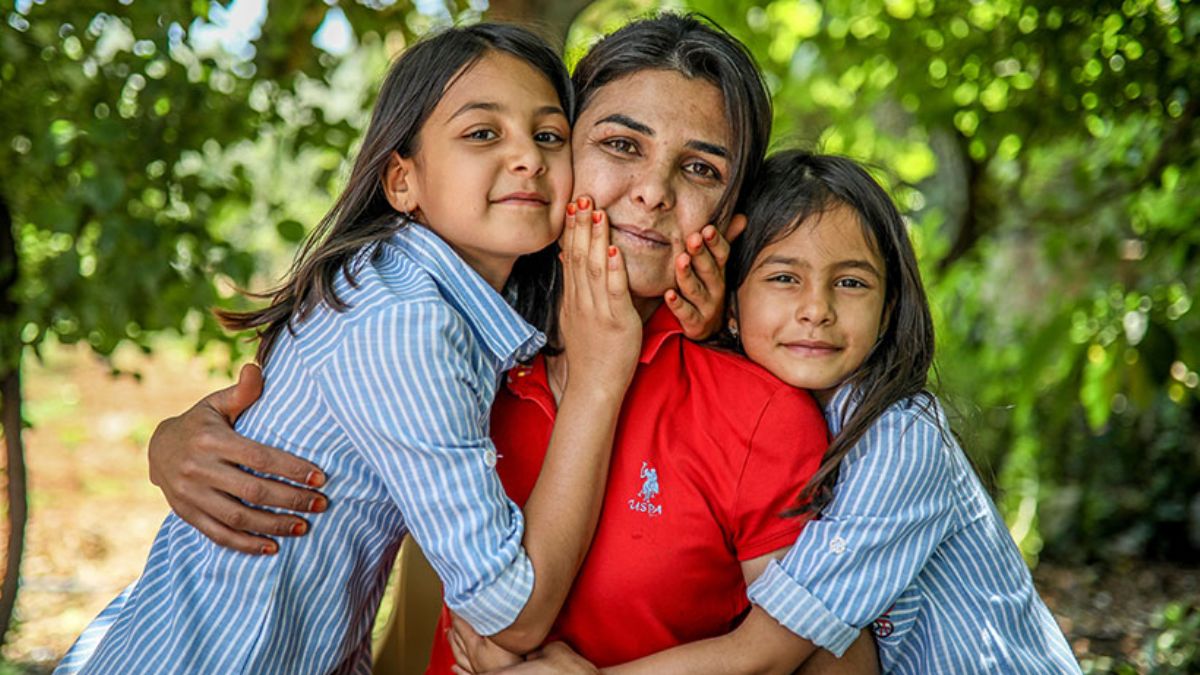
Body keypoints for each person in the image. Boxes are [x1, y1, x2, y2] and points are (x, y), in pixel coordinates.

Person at [136, 14, 879, 673]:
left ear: (731, 212)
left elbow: (833, 659)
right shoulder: (471, 350)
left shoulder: (757, 407)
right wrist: (171, 443)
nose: (653, 192)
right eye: (620, 145)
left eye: (700, 169)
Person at [55, 23, 644, 674]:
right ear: (402, 181)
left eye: (549, 135)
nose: (529, 157)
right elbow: (511, 606)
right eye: (482, 133)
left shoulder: (428, 293)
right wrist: (598, 378)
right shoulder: (404, 320)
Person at [502, 151, 1079, 673]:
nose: (816, 310)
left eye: (851, 282)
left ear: (889, 307)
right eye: (784, 278)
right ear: (729, 297)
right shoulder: (771, 401)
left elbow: (767, 654)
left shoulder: (902, 440)